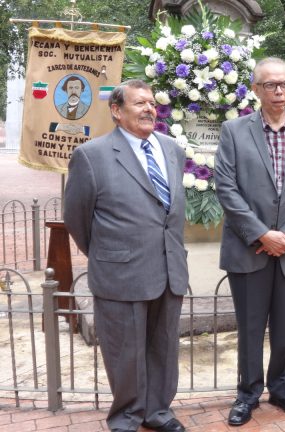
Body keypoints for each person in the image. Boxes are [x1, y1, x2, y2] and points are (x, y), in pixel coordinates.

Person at [64, 79, 188, 432]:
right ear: (116, 111)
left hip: (168, 267)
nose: (149, 109)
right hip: (121, 271)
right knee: (125, 353)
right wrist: (109, 254)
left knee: (164, 347)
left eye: (152, 103)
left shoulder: (172, 150)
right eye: (139, 103)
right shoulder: (92, 155)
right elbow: (77, 219)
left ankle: (158, 412)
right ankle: (127, 416)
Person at [215, 57, 285, 424]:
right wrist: (262, 234)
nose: (279, 91)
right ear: (257, 90)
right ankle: (248, 393)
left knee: (283, 327)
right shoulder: (234, 131)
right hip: (249, 249)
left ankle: (281, 388)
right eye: (270, 85)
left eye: (284, 85)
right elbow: (227, 188)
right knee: (249, 326)